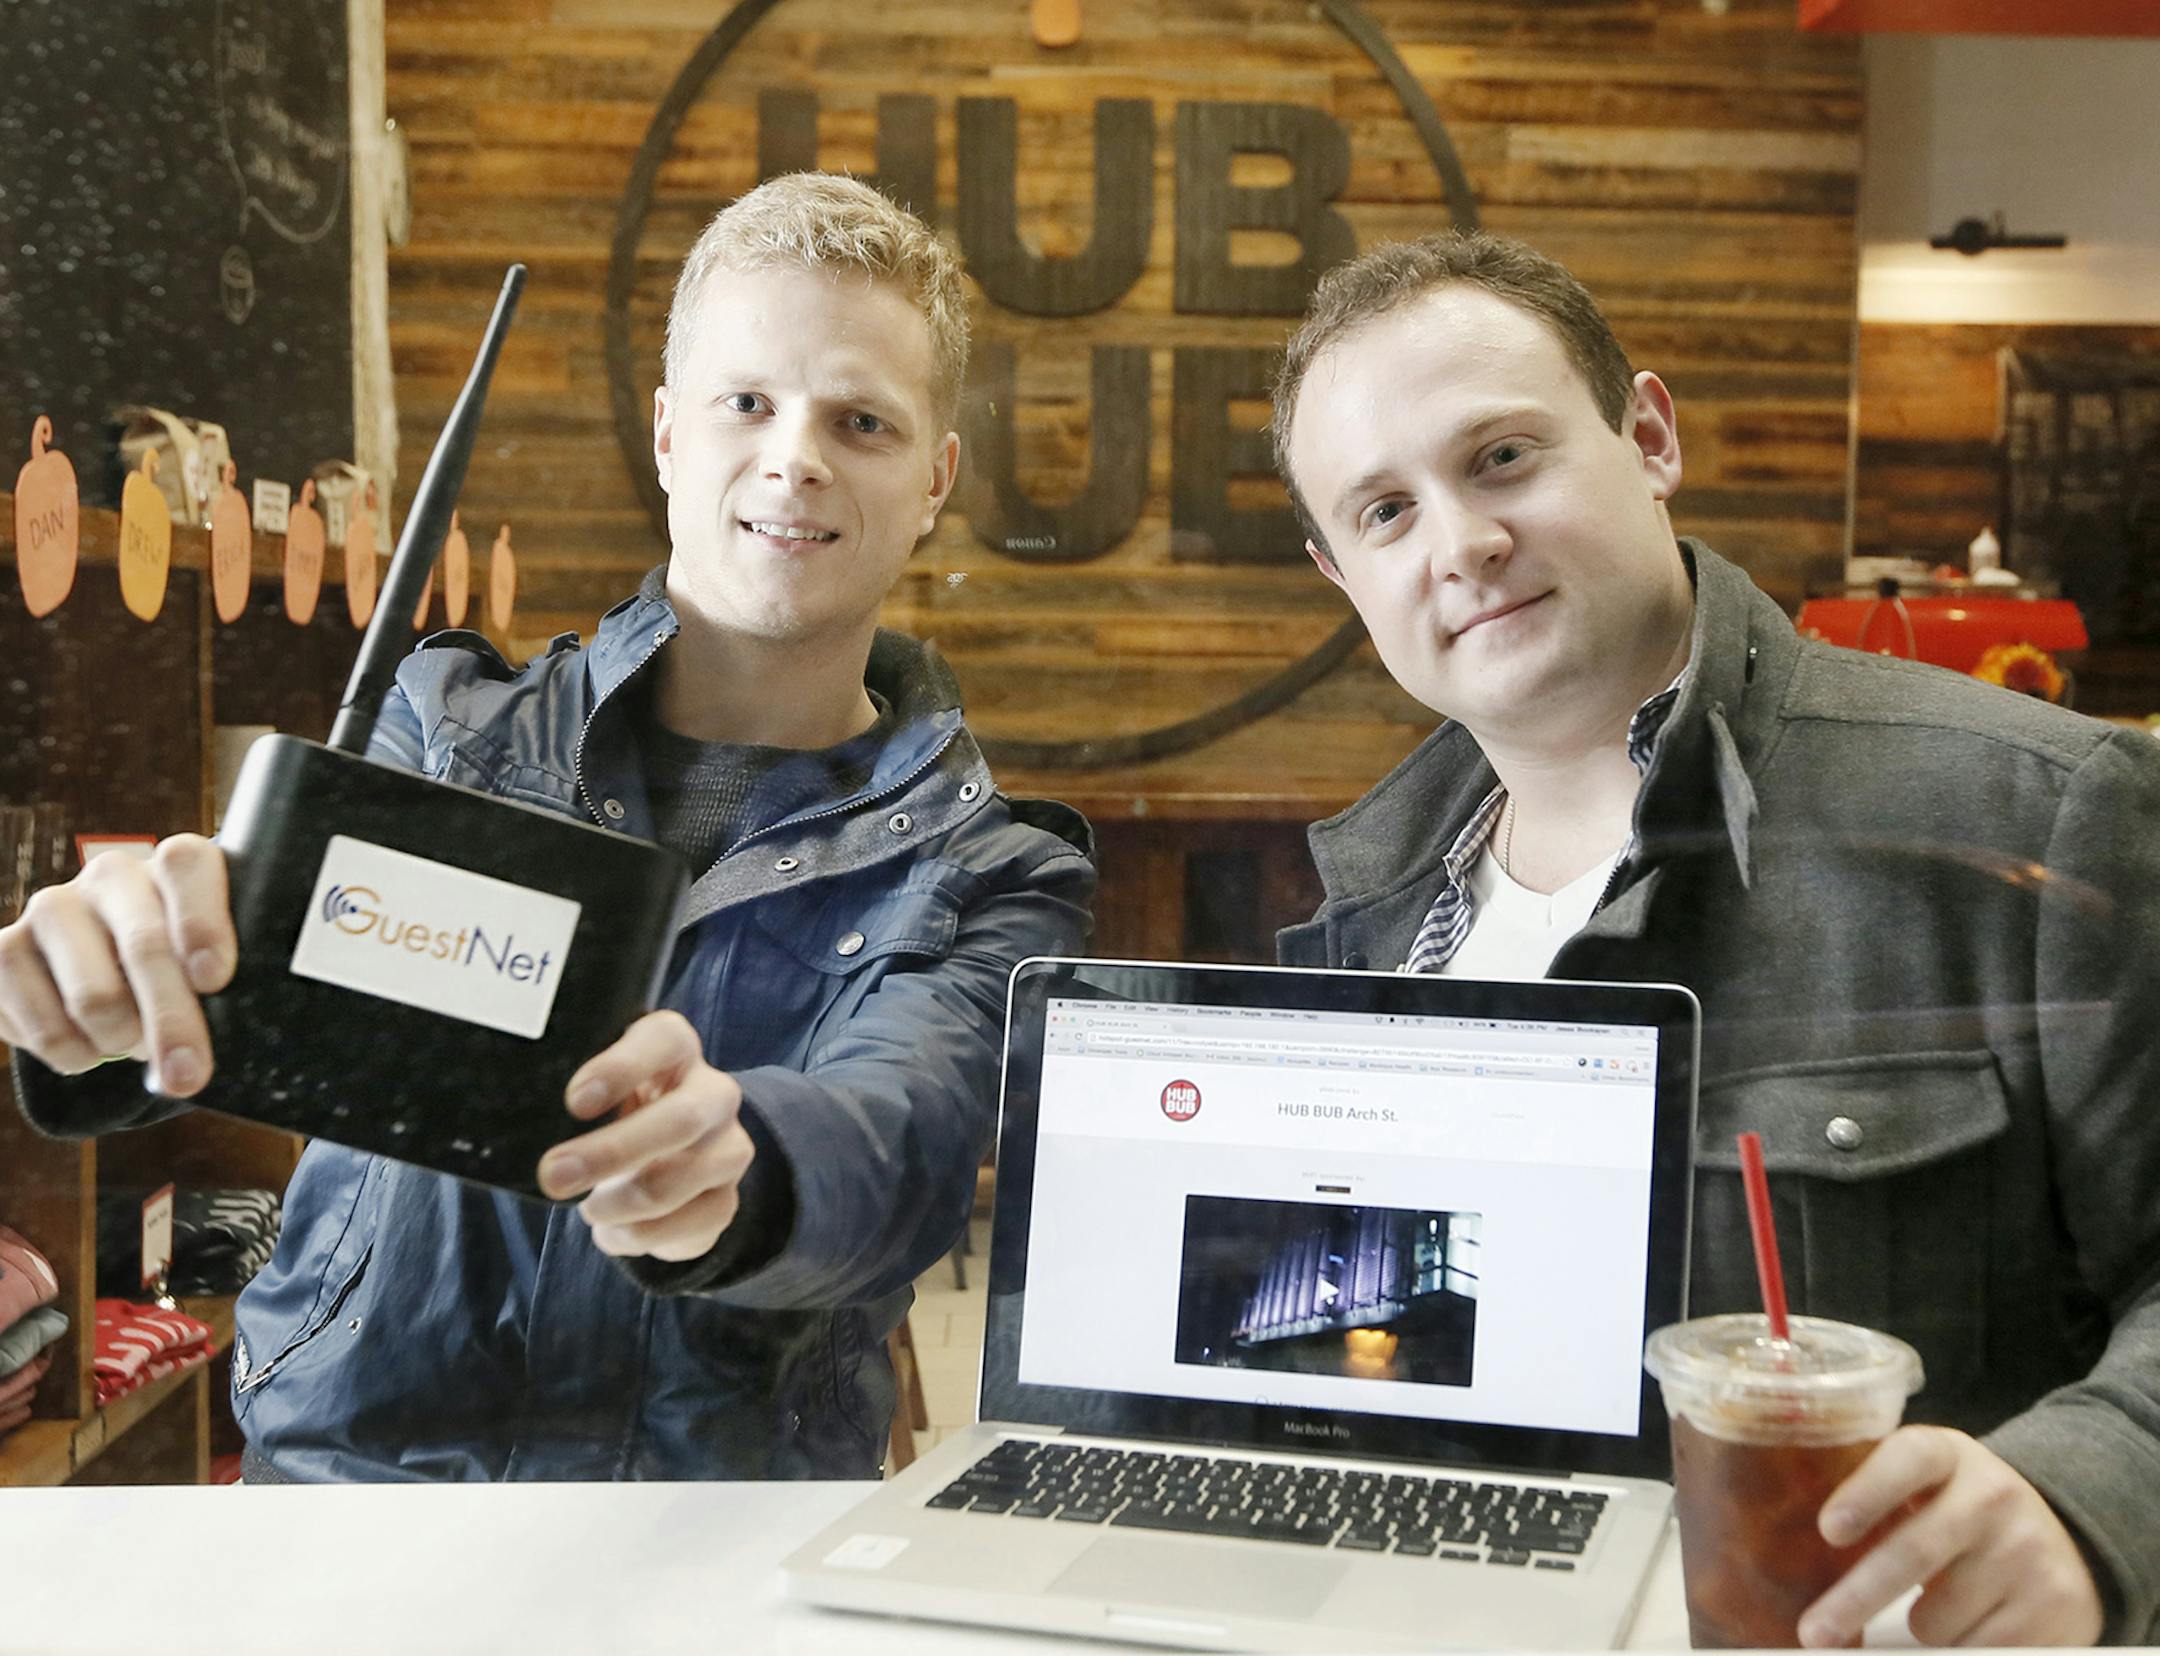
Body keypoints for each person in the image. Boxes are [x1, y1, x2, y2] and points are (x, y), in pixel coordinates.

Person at [0, 174, 1095, 1480]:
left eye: (861, 421)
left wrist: (733, 1172)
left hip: (721, 1541)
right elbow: (276, 1027)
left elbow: (899, 1146)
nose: (794, 455)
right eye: (747, 402)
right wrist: (111, 1002)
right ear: (670, 435)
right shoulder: (447, 734)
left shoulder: (999, 870)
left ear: (935, 481)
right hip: (357, 1502)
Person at [1269, 230, 2160, 1646]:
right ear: (1343, 575)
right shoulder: (1355, 925)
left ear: (1649, 435)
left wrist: (2080, 1501)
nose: (1462, 543)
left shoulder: (2040, 807)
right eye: (1386, 512)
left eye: (1502, 458)